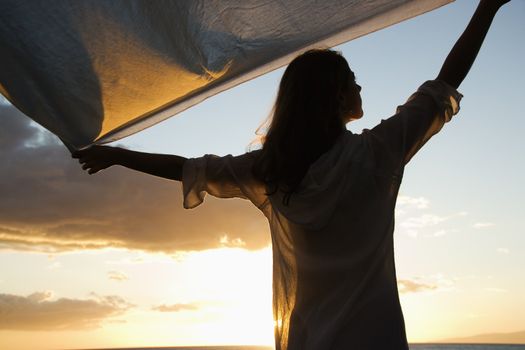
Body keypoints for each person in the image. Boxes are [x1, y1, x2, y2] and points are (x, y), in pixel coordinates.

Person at [73, 1, 511, 349]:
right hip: (374, 338)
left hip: (309, 339)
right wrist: (487, 9)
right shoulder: (377, 154)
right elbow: (443, 83)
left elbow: (189, 168)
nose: (361, 89)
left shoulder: (271, 172)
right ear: (338, 97)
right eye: (354, 82)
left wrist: (120, 156)